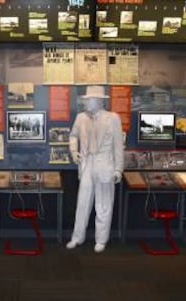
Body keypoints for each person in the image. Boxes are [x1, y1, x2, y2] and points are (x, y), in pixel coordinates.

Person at [66, 86, 124, 253]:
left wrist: (118, 169)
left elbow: (118, 146)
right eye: (86, 99)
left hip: (105, 163)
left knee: (103, 204)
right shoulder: (81, 118)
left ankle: (101, 239)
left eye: (89, 99)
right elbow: (73, 135)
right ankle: (77, 237)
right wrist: (73, 150)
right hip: (87, 163)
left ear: (99, 101)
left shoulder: (112, 118)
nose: (86, 102)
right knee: (82, 202)